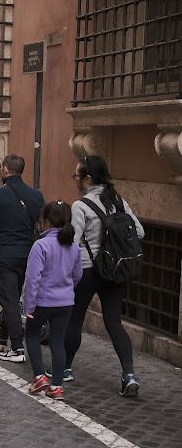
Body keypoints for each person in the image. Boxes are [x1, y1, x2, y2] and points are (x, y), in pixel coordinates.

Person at [64, 155, 145, 397]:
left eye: (77, 176)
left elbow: (74, 241)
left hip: (88, 269)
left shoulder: (80, 206)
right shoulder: (118, 202)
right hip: (115, 269)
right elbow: (139, 232)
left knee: (75, 319)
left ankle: (65, 368)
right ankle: (129, 374)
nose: (76, 180)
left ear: (88, 179)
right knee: (113, 322)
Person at [0, 153, 45, 362]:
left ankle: (17, 349)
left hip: (4, 255)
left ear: (5, 169)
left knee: (9, 302)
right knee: (12, 298)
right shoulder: (37, 195)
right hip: (28, 256)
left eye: (1, 168)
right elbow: (42, 225)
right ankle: (3, 338)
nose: (1, 171)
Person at [22, 200, 82, 401]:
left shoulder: (41, 245)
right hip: (65, 303)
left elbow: (32, 278)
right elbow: (77, 275)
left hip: (42, 302)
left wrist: (28, 304)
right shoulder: (73, 247)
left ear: (46, 222)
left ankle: (39, 376)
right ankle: (57, 386)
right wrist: (66, 290)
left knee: (31, 334)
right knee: (57, 342)